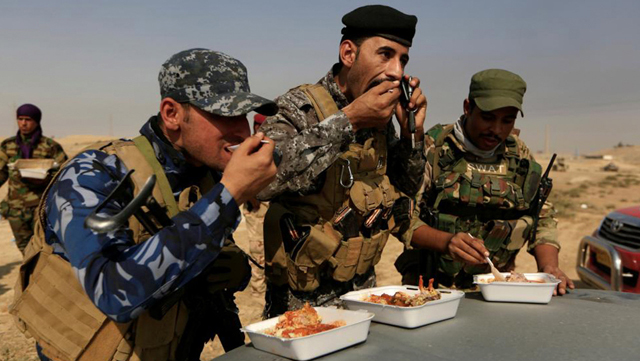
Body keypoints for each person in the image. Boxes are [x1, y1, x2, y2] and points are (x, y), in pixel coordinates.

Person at [10, 49, 278, 361]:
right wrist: (228, 194)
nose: (241, 131)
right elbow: (112, 292)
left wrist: (233, 269)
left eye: (242, 116)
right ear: (171, 114)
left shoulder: (206, 175)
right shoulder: (96, 173)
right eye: (224, 114)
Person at [258, 5, 427, 318]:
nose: (397, 71)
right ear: (349, 54)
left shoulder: (383, 117)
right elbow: (262, 180)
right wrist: (349, 121)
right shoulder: (300, 106)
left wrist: (410, 135)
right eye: (385, 54)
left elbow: (407, 188)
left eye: (402, 59)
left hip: (363, 293)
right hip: (300, 305)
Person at [397, 69, 575, 295]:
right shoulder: (434, 148)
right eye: (488, 118)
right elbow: (402, 217)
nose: (497, 129)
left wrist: (549, 267)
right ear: (468, 108)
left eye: (507, 120)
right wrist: (445, 242)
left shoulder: (519, 155)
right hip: (430, 288)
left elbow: (542, 217)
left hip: (496, 287)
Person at [0, 104, 67, 255]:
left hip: (41, 207)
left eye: (28, 119)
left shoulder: (50, 147)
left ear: (36, 121)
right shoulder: (8, 146)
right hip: (16, 209)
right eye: (20, 119)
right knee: (24, 249)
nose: (23, 123)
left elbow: (64, 174)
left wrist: (47, 177)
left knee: (43, 247)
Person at [241, 113, 269, 296]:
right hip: (257, 206)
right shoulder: (248, 148)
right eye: (258, 126)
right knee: (258, 252)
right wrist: (255, 201)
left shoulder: (272, 146)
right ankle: (259, 292)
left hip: (272, 204)